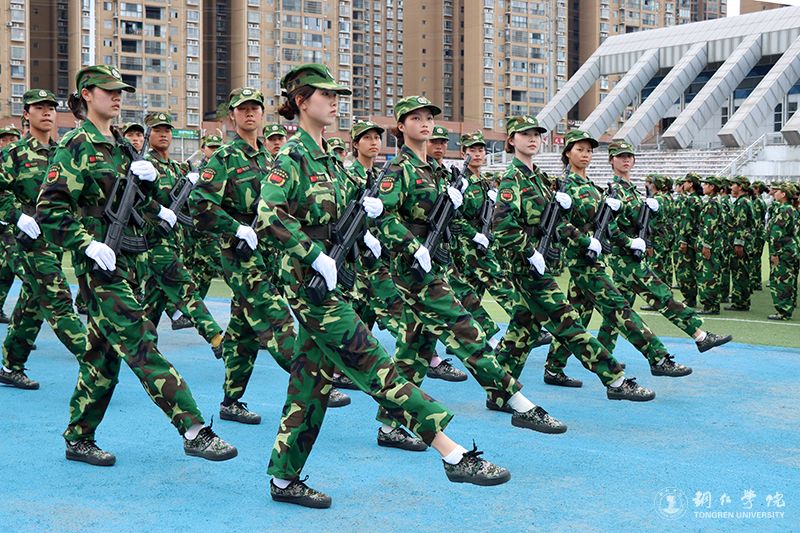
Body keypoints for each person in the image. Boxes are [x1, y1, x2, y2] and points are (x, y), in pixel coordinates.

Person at [258, 64, 510, 508]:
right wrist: (314, 255)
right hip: (310, 284)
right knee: (375, 364)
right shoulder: (292, 156)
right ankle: (452, 454)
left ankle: (283, 478)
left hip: (335, 280)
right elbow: (268, 215)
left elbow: (348, 216)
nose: (334, 101)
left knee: (310, 382)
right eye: (325, 95)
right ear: (301, 102)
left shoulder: (329, 158)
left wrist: (368, 225)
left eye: (336, 95)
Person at [36, 64, 237, 466]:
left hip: (134, 262)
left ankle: (78, 437)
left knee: (102, 356)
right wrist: (87, 245)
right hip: (101, 267)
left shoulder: (124, 147)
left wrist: (153, 188)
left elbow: (144, 203)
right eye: (108, 90)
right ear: (86, 94)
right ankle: (194, 428)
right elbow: (50, 210)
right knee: (141, 343)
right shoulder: (76, 145)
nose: (117, 97)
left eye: (120, 91)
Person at [374, 95, 566, 443]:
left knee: (413, 350)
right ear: (400, 126)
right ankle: (518, 402)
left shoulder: (435, 170)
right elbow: (383, 218)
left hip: (435, 262)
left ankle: (388, 427)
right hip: (413, 269)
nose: (425, 123)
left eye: (428, 117)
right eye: (415, 118)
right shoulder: (397, 169)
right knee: (466, 331)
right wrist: (412, 246)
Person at [493, 117, 654, 401]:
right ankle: (615, 379)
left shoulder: (538, 177)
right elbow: (503, 227)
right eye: (524, 134)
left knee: (522, 329)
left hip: (540, 261)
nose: (532, 138)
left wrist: (579, 234)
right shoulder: (512, 178)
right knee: (568, 322)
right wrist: (530, 252)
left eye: (536, 134)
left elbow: (555, 222)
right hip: (526, 265)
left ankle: (498, 392)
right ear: (511, 140)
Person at [191, 87, 322, 423]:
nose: (249, 113)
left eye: (255, 108)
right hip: (240, 255)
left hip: (269, 253)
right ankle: (312, 381)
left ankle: (230, 401)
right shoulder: (223, 158)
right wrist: (235, 227)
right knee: (276, 317)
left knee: (243, 332)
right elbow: (200, 205)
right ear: (232, 116)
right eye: (242, 109)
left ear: (263, 114)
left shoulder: (270, 160)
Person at [545, 130, 693, 380]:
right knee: (618, 308)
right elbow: (558, 224)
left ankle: (553, 366)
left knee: (576, 316)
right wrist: (586, 240)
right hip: (581, 260)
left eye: (589, 150)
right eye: (579, 149)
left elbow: (606, 225)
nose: (585, 154)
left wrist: (626, 239)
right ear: (568, 153)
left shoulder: (592, 186)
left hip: (594, 258)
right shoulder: (563, 185)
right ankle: (658, 357)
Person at [594, 141, 732, 357]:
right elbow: (607, 227)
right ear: (611, 160)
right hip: (625, 257)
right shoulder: (613, 191)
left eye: (629, 156)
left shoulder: (632, 190)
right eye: (620, 156)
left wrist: (654, 212)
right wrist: (629, 241)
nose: (626, 159)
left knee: (617, 311)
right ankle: (700, 336)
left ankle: (603, 355)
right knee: (661, 294)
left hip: (632, 256)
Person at [0, 89, 88, 390]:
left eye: (51, 107)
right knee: (58, 299)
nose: (47, 112)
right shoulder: (14, 154)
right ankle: (94, 361)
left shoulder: (62, 152)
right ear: (26, 114)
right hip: (27, 240)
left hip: (55, 239)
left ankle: (10, 365)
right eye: (39, 107)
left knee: (33, 302)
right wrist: (16, 216)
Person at [139, 112, 225, 357]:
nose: (164, 134)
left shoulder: (177, 168)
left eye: (167, 130)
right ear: (148, 135)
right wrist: (159, 210)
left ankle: (138, 347)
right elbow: (135, 200)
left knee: (152, 305)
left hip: (175, 243)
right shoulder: (145, 166)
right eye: (158, 130)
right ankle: (216, 337)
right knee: (185, 289)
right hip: (154, 243)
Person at [767, 181, 798, 320]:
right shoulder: (789, 208)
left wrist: (775, 253)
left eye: (778, 191)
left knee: (782, 281)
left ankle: (784, 311)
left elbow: (777, 234)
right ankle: (784, 309)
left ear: (784, 194)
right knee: (785, 280)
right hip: (787, 249)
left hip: (783, 251)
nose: (775, 192)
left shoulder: (785, 209)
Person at [726, 175, 756, 311]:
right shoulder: (743, 201)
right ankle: (741, 301)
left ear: (741, 187)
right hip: (743, 241)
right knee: (741, 272)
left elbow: (740, 224)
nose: (731, 187)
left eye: (734, 184)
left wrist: (739, 243)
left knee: (740, 272)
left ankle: (740, 302)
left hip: (741, 242)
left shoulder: (742, 202)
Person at [696, 176, 725, 315]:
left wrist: (706, 245)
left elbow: (710, 226)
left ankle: (711, 305)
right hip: (714, 243)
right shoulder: (715, 201)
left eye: (706, 184)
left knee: (709, 275)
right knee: (711, 273)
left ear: (712, 186)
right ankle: (711, 304)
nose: (703, 187)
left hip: (711, 244)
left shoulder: (712, 203)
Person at [674, 173, 703, 308]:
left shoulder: (691, 200)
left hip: (688, 239)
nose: (683, 185)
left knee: (685, 270)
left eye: (685, 182)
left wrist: (683, 240)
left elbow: (687, 222)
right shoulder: (697, 199)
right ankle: (691, 297)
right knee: (691, 268)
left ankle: (690, 298)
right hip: (694, 239)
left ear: (691, 184)